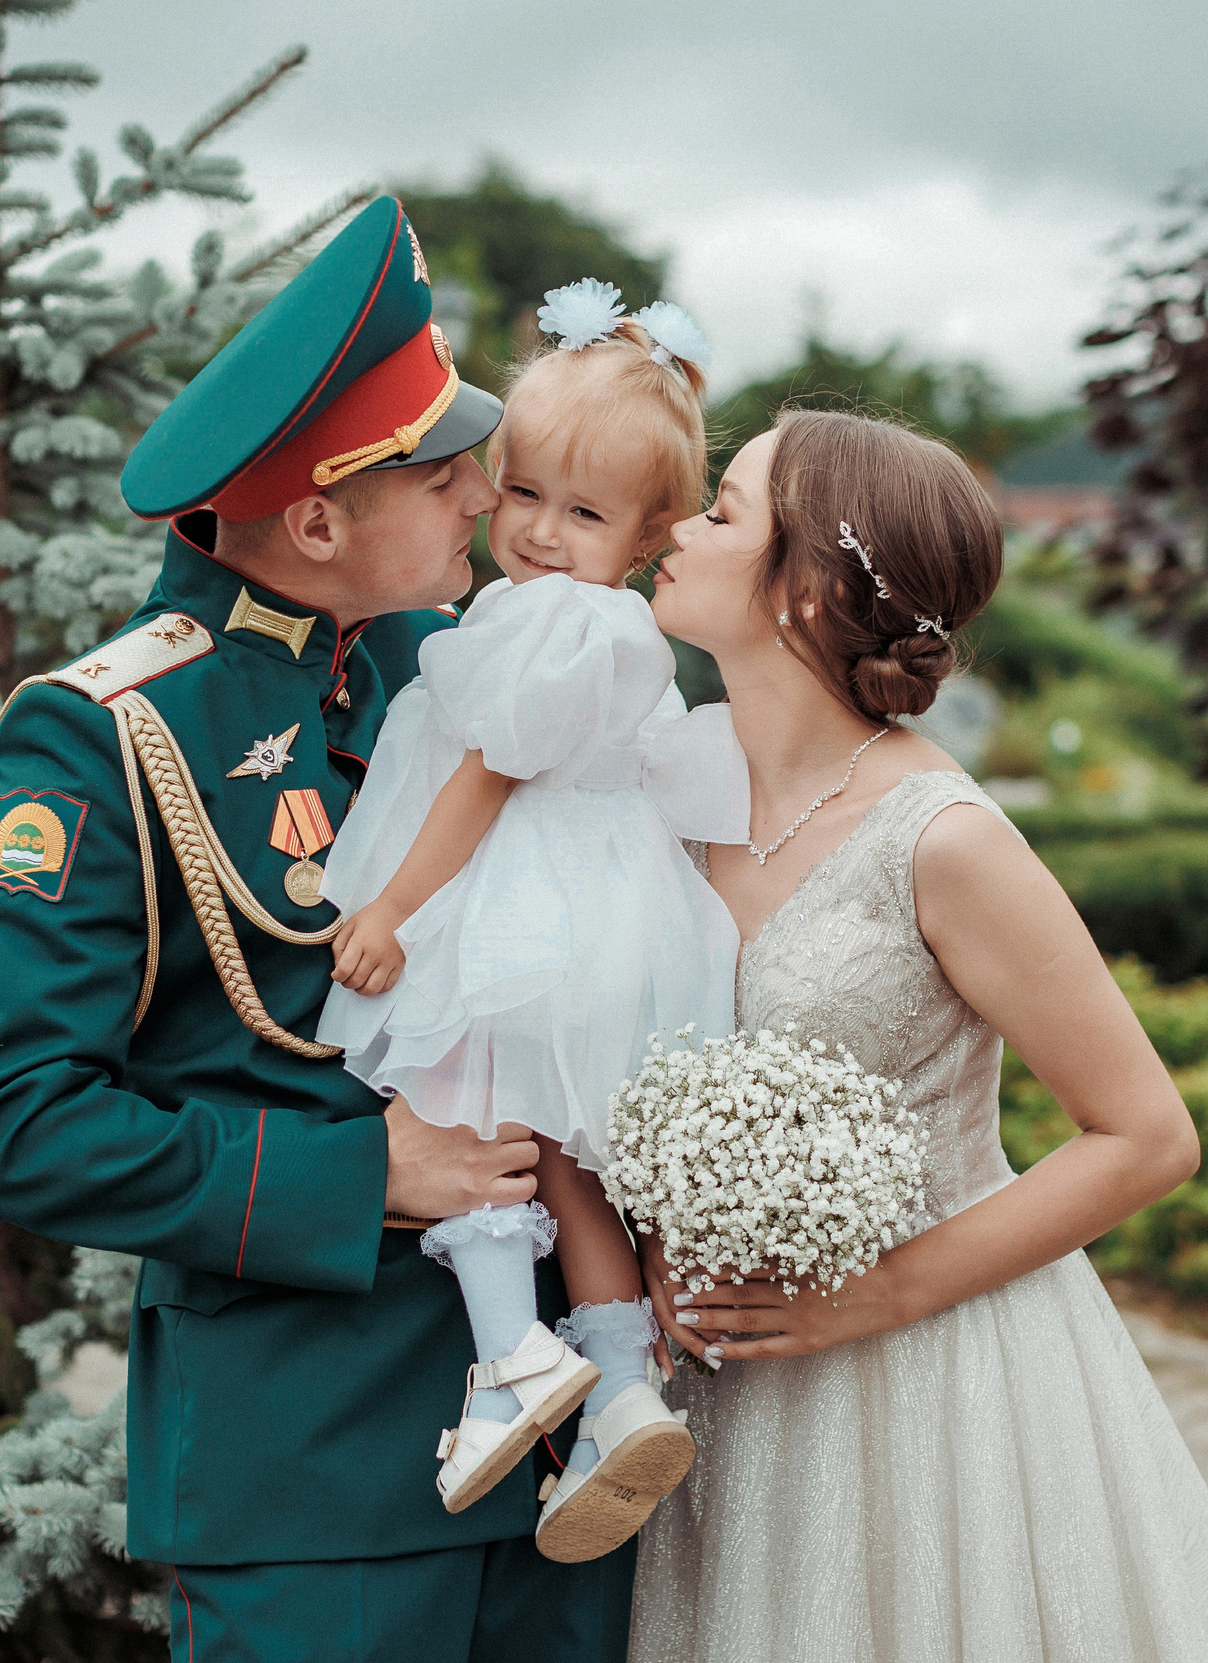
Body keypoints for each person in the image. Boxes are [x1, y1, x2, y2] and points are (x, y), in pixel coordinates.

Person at [0, 197, 639, 1663]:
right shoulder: (102, 734)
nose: (483, 499)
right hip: (317, 1465)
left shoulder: (443, 665)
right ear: (319, 519)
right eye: (446, 474)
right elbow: (9, 1121)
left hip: (571, 1447)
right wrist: (362, 1171)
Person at [629, 410, 1208, 1662]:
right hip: (708, 1380)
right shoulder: (660, 787)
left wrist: (865, 1298)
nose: (677, 529)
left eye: (722, 511)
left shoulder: (942, 838)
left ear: (810, 589)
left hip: (921, 1389)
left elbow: (1146, 1136)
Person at [316, 282, 744, 1563]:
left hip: (512, 900)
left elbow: (485, 773)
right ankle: (619, 1387)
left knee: (462, 1105)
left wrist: (394, 905)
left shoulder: (542, 620)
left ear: (650, 532)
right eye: (523, 495)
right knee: (565, 1153)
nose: (542, 532)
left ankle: (509, 1354)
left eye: (586, 511)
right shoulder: (624, 629)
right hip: (612, 912)